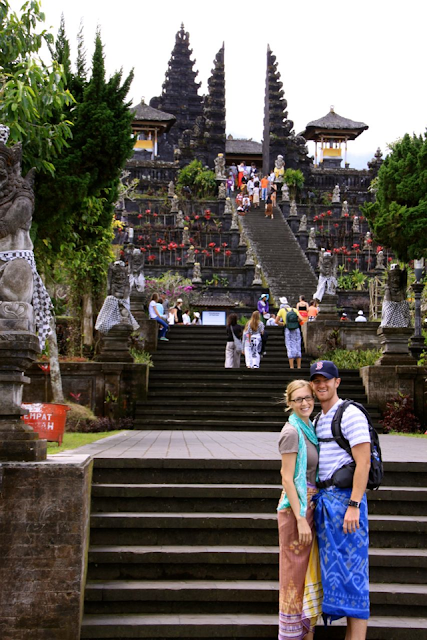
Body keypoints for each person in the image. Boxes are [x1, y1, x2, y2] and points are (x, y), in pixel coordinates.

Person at [310, 360, 371, 638]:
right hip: (325, 504)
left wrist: (354, 505)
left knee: (353, 577)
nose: (321, 384)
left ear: (337, 382)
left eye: (327, 379)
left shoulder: (350, 414)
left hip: (346, 503)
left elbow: (364, 462)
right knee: (333, 577)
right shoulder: (317, 418)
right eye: (316, 380)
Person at [277, 380, 322, 640]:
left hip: (310, 504)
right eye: (298, 399)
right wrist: (301, 519)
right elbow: (287, 478)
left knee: (309, 573)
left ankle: (308, 634)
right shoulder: (291, 432)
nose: (305, 403)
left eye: (308, 398)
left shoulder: (309, 428)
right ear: (289, 403)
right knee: (294, 577)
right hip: (297, 509)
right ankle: (292, 635)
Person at [276, 302, 304, 369]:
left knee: (290, 346)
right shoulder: (294, 310)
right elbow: (301, 319)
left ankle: (291, 367)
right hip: (296, 329)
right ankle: (299, 366)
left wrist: (283, 323)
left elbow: (276, 321)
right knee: (298, 345)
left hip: (288, 329)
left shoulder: (282, 310)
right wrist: (295, 322)